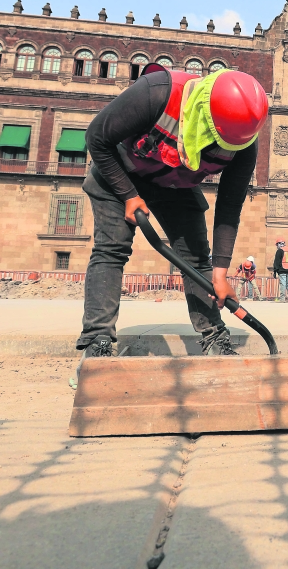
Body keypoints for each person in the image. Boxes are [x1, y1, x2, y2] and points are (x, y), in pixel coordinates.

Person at [78, 64, 269, 361]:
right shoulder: (155, 93)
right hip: (119, 172)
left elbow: (230, 206)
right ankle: (97, 342)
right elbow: (96, 137)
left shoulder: (243, 140)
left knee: (195, 256)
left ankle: (214, 336)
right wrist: (129, 196)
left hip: (175, 181)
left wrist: (220, 272)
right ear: (207, 118)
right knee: (112, 248)